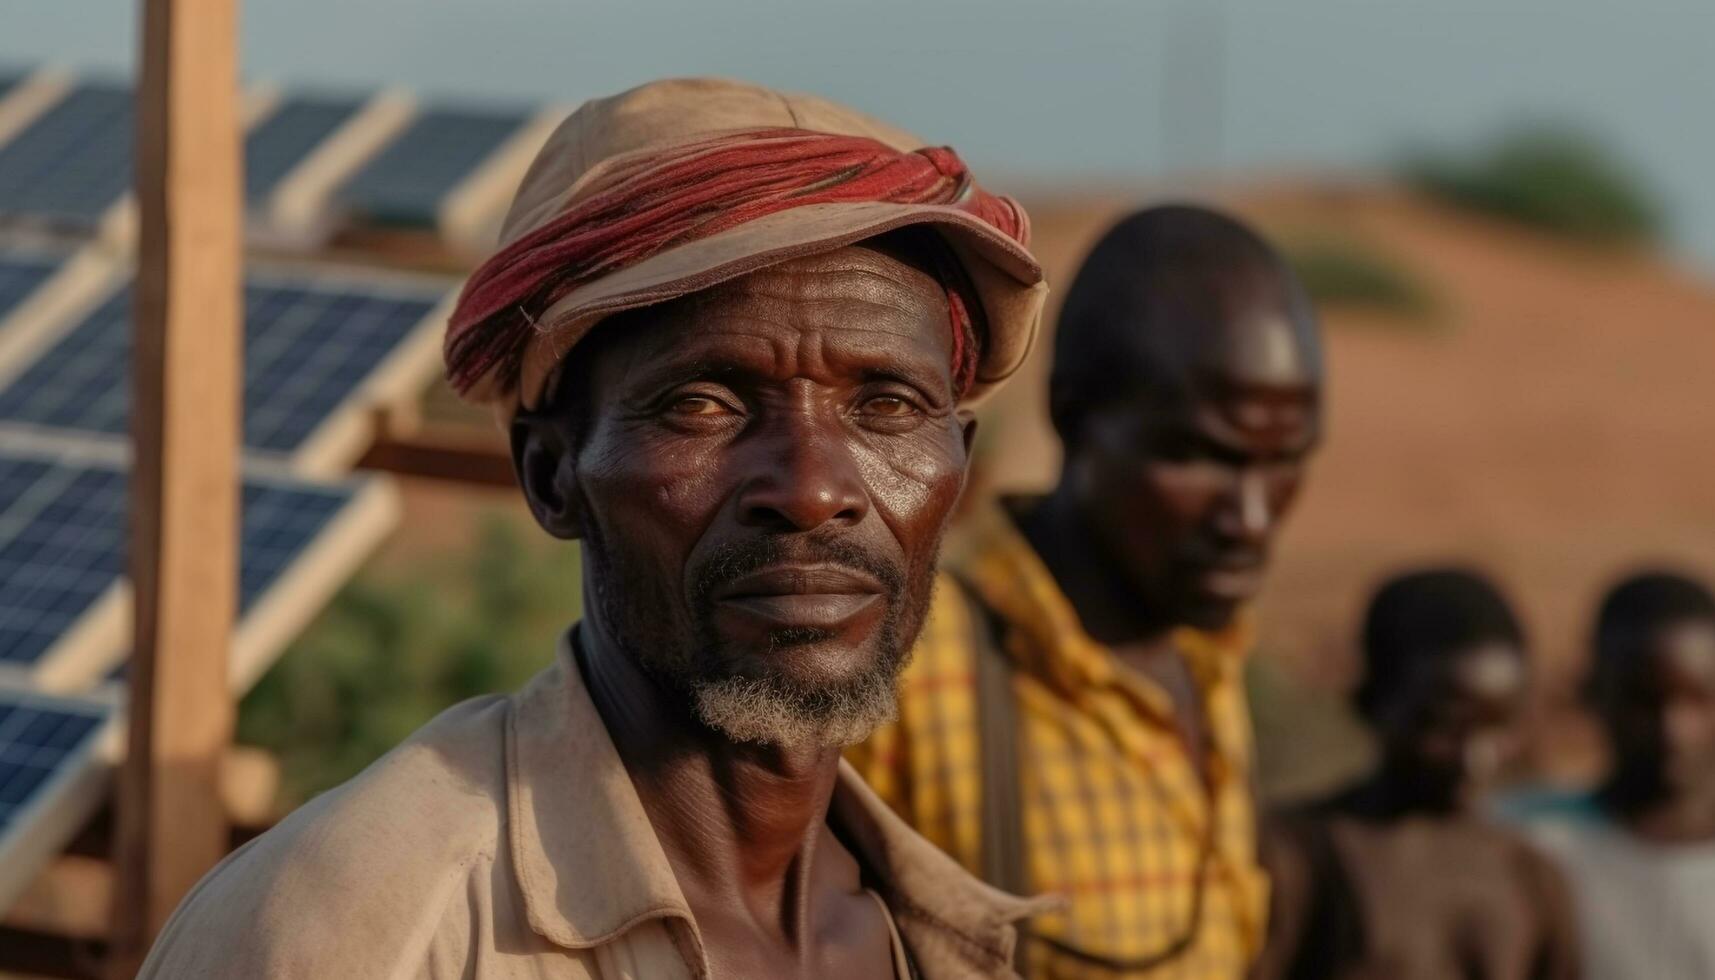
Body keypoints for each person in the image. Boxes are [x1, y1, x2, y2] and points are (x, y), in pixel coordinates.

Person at [139, 78, 1056, 979]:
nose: (813, 490)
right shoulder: (359, 930)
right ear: (550, 476)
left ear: (960, 462)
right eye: (703, 404)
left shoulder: (931, 939)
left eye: (888, 405)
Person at [850, 205, 1323, 977]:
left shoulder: (1210, 659)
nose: (1249, 517)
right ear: (1073, 416)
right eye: (1200, 457)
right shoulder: (903, 670)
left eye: (1284, 460)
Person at [1257, 568, 1579, 980]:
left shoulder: (1529, 876)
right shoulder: (1300, 859)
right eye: (1444, 726)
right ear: (1370, 703)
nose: (1474, 758)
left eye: (1499, 727)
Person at [1514, 571, 1715, 979]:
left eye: (1696, 699)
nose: (1671, 729)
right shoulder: (1531, 843)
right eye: (1643, 700)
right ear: (1592, 691)